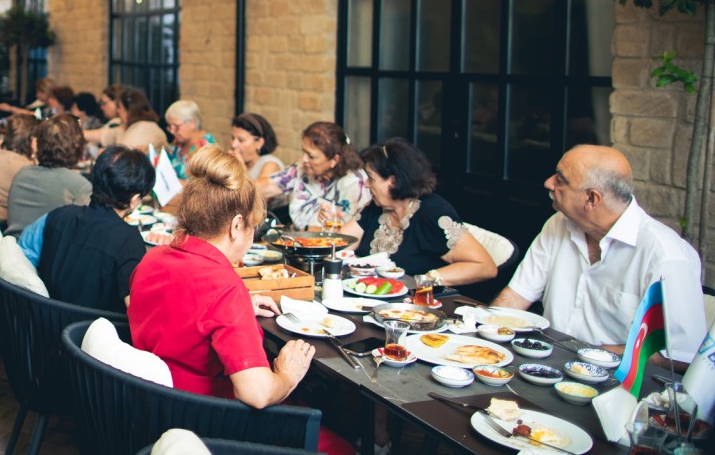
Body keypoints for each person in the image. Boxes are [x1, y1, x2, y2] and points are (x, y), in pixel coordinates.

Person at [128, 146, 356, 455]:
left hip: (154, 403)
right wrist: (286, 372)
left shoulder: (154, 257)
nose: (252, 234)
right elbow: (257, 393)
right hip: (206, 419)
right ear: (236, 226)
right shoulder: (224, 286)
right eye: (253, 227)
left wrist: (233, 307)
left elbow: (175, 304)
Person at [491, 145, 705, 362]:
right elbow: (516, 296)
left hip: (617, 383)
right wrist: (483, 335)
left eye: (561, 180)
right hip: (544, 362)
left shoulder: (665, 255)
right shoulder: (558, 224)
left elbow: (683, 355)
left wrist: (598, 355)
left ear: (591, 199)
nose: (548, 183)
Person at [16, 146, 155, 311]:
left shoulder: (57, 216)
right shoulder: (129, 241)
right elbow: (137, 311)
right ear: (133, 199)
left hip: (45, 321)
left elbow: (23, 251)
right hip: (92, 332)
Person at [352, 139, 497, 286]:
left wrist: (423, 280)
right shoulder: (375, 207)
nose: (366, 183)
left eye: (371, 178)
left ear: (393, 181)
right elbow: (342, 242)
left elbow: (485, 267)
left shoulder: (432, 214)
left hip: (414, 303)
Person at [264, 122, 371, 230]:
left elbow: (349, 234)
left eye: (311, 156)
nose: (304, 159)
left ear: (335, 160)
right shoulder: (303, 167)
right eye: (303, 152)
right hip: (297, 239)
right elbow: (268, 186)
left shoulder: (355, 183)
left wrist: (309, 230)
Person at [6, 114, 92, 233]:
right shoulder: (80, 186)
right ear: (77, 144)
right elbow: (82, 234)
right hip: (47, 251)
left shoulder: (22, 173)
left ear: (38, 143)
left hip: (12, 249)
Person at [229, 112, 284, 191]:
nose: (234, 145)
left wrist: (241, 169)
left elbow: (258, 197)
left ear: (259, 143)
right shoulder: (241, 162)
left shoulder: (270, 164)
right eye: (233, 138)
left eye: (241, 140)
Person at [164, 99, 216, 179]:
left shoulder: (206, 147)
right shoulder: (178, 142)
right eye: (170, 127)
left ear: (192, 123)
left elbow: (207, 183)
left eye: (176, 127)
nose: (172, 131)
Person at [114, 87, 167, 152]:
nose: (118, 111)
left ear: (129, 110)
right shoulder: (135, 126)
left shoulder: (144, 128)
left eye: (119, 107)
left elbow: (122, 155)